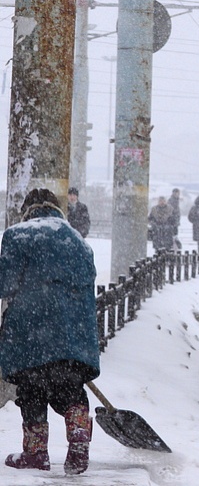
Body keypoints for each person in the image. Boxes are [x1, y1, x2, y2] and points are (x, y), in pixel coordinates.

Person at [0, 188, 99, 475]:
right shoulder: (79, 242)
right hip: (73, 334)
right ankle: (79, 444)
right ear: (58, 209)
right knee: (69, 387)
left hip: (31, 330)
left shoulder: (18, 236)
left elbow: (4, 285)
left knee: (32, 390)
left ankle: (36, 453)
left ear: (27, 210)